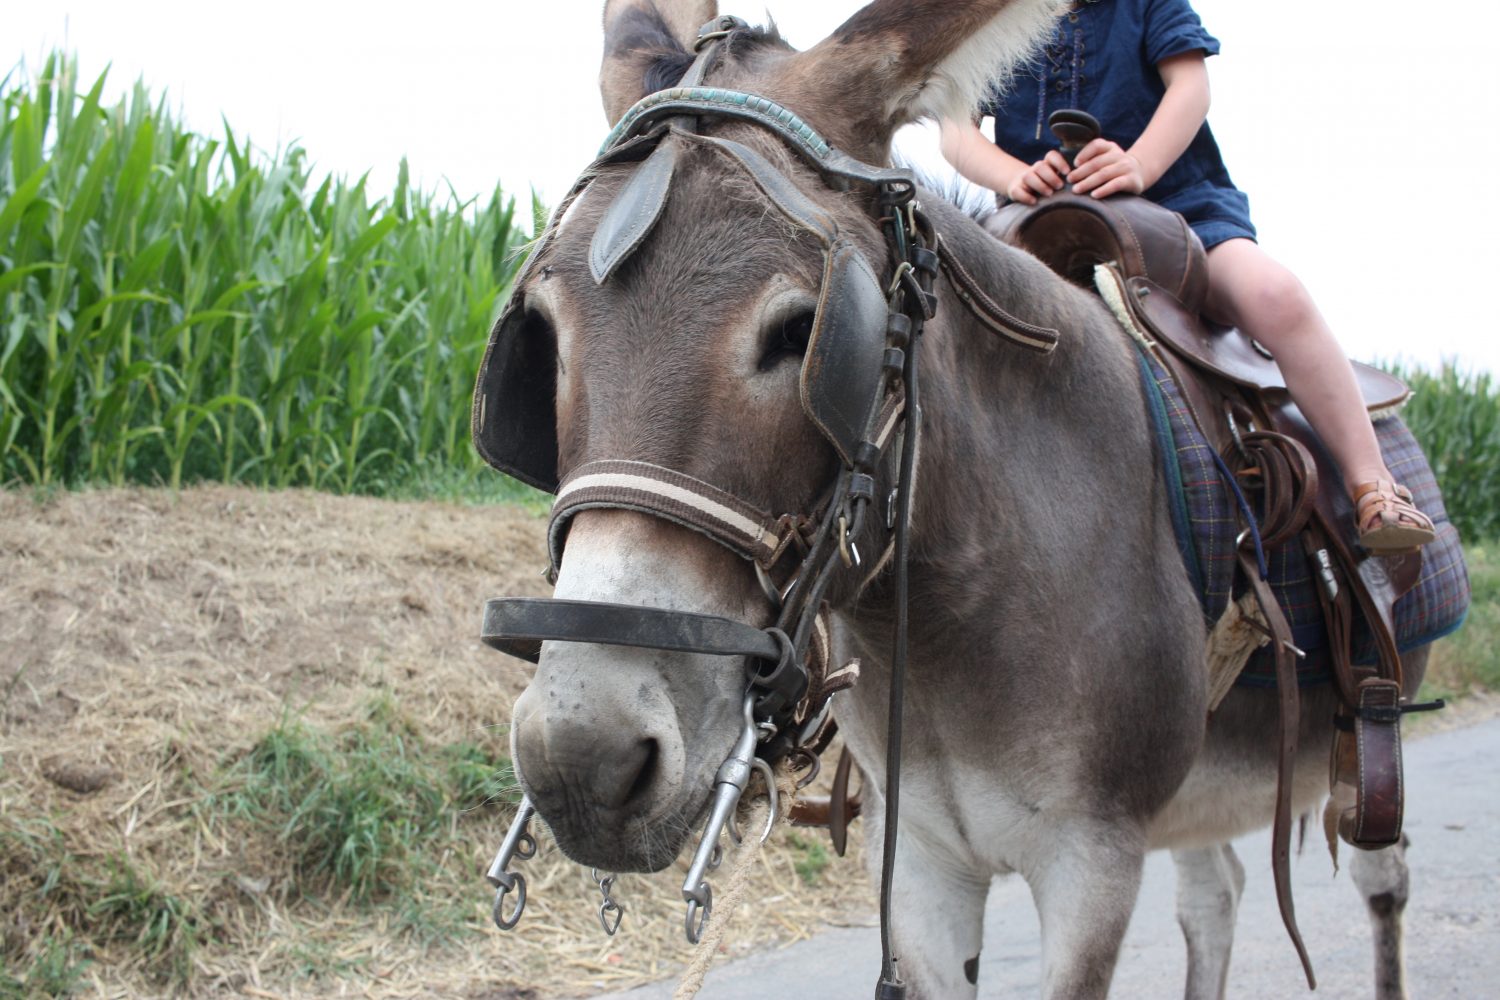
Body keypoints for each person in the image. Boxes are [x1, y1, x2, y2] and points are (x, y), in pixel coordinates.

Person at [939, 0, 1435, 553]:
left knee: (1276, 296)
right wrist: (1016, 173)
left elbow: (1190, 87)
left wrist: (1139, 164)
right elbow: (955, 128)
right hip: (1041, 226)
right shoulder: (990, 21)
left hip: (1180, 214)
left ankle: (1373, 485)